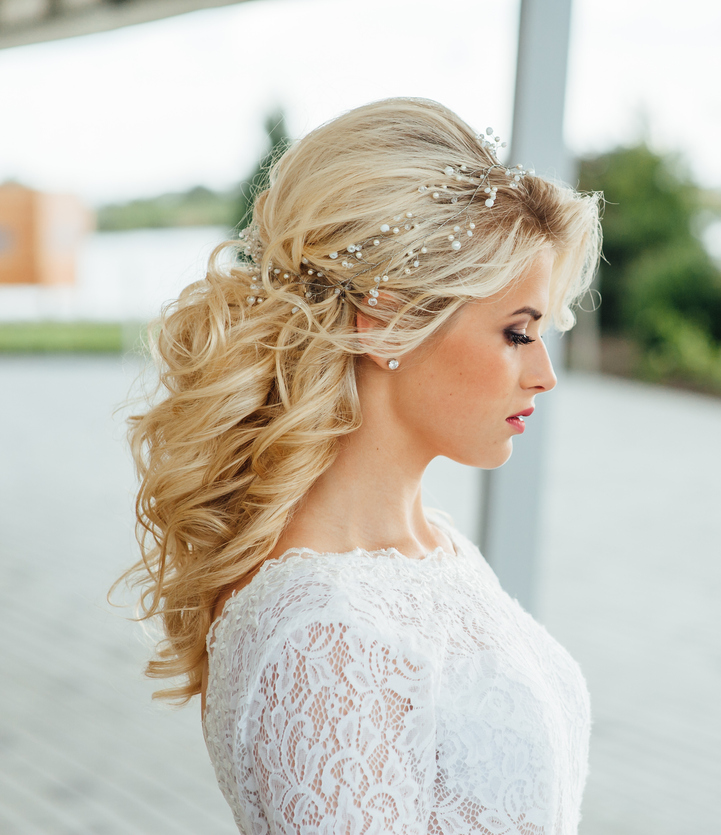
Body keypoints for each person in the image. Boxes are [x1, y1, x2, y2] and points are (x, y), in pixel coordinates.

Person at [117, 98, 603, 833]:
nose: (543, 374)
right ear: (384, 323)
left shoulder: (438, 549)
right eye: (516, 332)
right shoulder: (322, 629)